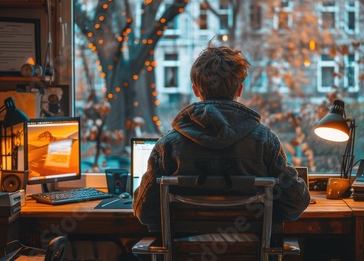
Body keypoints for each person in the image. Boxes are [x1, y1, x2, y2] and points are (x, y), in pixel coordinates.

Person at [133, 43, 310, 230]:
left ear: (196, 90)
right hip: (251, 252)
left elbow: (145, 213)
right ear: (240, 89)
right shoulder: (266, 142)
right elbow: (296, 203)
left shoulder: (167, 146)